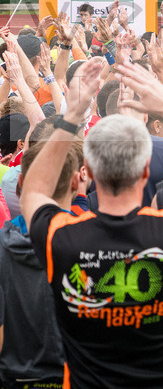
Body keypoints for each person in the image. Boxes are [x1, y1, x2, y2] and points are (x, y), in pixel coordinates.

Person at [21, 58, 163, 388]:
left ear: (90, 173)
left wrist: (73, 114)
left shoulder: (62, 236)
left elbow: (35, 188)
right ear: (145, 171)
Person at [0, 138, 83, 387]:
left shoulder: (4, 243)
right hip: (74, 375)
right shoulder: (91, 241)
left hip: (14, 377)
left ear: (22, 182)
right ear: (76, 182)